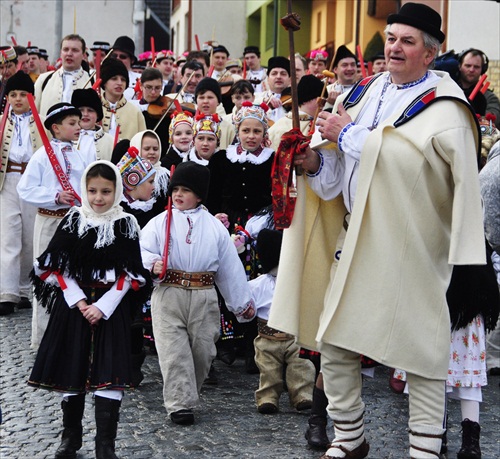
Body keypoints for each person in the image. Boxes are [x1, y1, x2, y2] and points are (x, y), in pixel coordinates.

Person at [268, 3, 485, 458]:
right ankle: (350, 437)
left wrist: (348, 136)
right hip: (354, 238)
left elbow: (418, 169)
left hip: (418, 246)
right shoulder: (363, 93)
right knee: (336, 341)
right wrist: (317, 161)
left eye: (408, 41)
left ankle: (425, 447)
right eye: (391, 39)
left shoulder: (447, 108)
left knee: (423, 354)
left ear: (430, 53)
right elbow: (340, 174)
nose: (395, 48)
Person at [28, 160, 151, 459]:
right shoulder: (73, 220)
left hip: (111, 308)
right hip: (75, 307)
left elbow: (131, 274)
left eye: (106, 192)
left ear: (117, 191)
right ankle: (70, 438)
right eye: (93, 191)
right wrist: (81, 302)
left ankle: (105, 445)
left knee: (109, 371)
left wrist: (104, 306)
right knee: (73, 367)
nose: (98, 198)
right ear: (84, 189)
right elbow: (56, 267)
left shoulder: (125, 224)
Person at [140, 161, 255, 425]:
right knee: (173, 351)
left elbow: (229, 268)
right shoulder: (160, 223)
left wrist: (241, 303)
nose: (178, 195)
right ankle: (180, 404)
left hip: (204, 295)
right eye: (175, 189)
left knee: (203, 351)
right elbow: (143, 250)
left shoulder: (214, 227)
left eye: (186, 190)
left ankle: (189, 392)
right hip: (169, 293)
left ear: (200, 195)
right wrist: (152, 264)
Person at [251, 228, 315, 414]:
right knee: (268, 369)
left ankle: (303, 395)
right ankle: (267, 397)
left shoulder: (300, 281)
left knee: (302, 366)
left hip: (295, 336)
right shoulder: (258, 284)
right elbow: (244, 301)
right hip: (267, 336)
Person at [0, 71, 43, 316]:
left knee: (29, 236)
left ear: (31, 97)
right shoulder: (1, 121)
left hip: (31, 181)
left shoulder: (42, 123)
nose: (17, 99)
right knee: (8, 236)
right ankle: (6, 293)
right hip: (7, 180)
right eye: (13, 94)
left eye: (23, 94)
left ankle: (25, 290)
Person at [34, 34, 91, 116]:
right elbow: (33, 115)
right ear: (61, 53)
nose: (69, 54)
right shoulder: (43, 79)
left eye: (75, 50)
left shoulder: (92, 80)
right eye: (66, 49)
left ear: (83, 55)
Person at [268, 74, 324, 151]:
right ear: (306, 98)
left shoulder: (321, 124)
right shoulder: (280, 127)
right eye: (321, 101)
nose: (322, 106)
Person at [100, 58, 146, 142]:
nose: (120, 83)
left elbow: (142, 143)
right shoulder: (94, 109)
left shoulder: (135, 112)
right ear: (104, 82)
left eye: (123, 79)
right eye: (114, 78)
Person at [457, 49, 500, 128]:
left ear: (482, 70)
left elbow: (494, 118)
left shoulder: (489, 97)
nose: (471, 70)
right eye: (468, 65)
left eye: (476, 67)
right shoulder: (450, 91)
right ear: (460, 66)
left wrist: (479, 113)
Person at [71, 88, 113, 162]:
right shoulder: (66, 138)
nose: (85, 114)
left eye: (90, 110)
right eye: (81, 110)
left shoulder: (110, 141)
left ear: (98, 115)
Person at [195, 77, 234, 148]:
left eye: (210, 97)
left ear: (218, 101)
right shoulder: (191, 126)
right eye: (201, 97)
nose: (205, 101)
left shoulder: (229, 128)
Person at [254, 56, 291, 123]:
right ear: (268, 79)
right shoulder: (258, 98)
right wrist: (265, 101)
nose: (278, 77)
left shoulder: (296, 101)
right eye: (274, 73)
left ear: (290, 79)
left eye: (283, 74)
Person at [324, 45, 358, 109]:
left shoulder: (364, 90)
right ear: (335, 69)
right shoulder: (326, 91)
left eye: (353, 65)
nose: (349, 68)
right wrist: (331, 104)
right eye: (345, 65)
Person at [110, 36, 141, 101]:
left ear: (132, 60)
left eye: (122, 56)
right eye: (114, 56)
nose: (117, 59)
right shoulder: (102, 77)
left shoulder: (140, 79)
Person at [0, 46, 19, 114]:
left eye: (9, 66)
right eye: (1, 67)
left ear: (16, 65)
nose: (5, 71)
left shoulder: (24, 84)